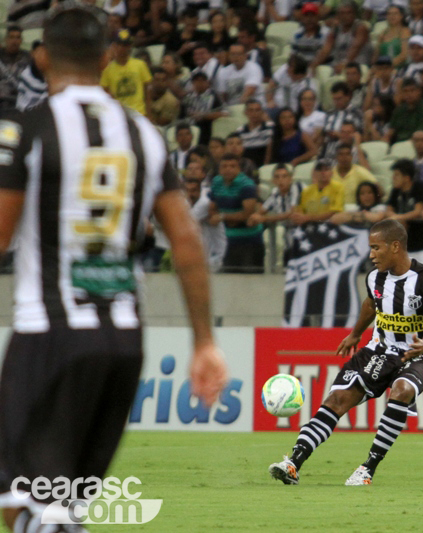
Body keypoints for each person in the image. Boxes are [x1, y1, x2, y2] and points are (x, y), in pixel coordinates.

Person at [0, 8, 228, 531]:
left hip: (49, 336)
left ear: (41, 57)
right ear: (106, 59)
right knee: (57, 505)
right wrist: (204, 342)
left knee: (28, 501)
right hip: (124, 341)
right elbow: (187, 242)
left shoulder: (28, 129)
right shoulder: (144, 134)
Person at [269, 219, 423, 486]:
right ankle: (293, 462)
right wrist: (355, 333)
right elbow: (370, 303)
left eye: (376, 248)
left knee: (402, 390)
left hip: (416, 354)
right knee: (337, 398)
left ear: (395, 246)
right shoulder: (375, 277)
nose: (371, 254)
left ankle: (367, 469)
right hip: (380, 349)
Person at [208, 154, 264, 273]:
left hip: (249, 241)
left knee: (251, 282)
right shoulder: (216, 182)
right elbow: (212, 208)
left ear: (239, 168)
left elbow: (247, 214)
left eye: (232, 166)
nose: (228, 169)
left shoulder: (247, 184)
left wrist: (223, 217)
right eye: (224, 166)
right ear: (219, 169)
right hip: (226, 241)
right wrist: (226, 217)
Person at [386, 158, 423, 266]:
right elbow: (389, 210)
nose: (393, 178)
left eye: (396, 175)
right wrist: (397, 218)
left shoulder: (419, 188)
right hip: (405, 247)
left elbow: (418, 211)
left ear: (407, 177)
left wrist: (399, 218)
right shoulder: (395, 191)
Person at [101, 29, 152, 115]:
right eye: (119, 45)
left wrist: (149, 113)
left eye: (125, 45)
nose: (122, 48)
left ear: (130, 46)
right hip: (120, 115)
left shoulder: (140, 65)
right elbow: (106, 94)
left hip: (139, 113)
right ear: (114, 46)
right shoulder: (107, 70)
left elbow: (148, 92)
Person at [185, 177, 227, 272]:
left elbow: (185, 223)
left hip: (216, 257)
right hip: (202, 257)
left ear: (200, 191)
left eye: (193, 191)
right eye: (187, 191)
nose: (190, 194)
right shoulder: (186, 203)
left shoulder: (204, 203)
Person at [291, 160, 345, 225]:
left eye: (326, 169)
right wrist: (297, 217)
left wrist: (308, 217)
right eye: (319, 170)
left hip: (329, 223)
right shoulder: (307, 191)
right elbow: (300, 210)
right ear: (314, 173)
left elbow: (334, 213)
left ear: (331, 172)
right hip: (309, 224)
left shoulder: (338, 187)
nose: (323, 173)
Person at [385, 79, 423, 143]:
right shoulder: (399, 110)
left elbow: (420, 133)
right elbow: (390, 132)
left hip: (416, 143)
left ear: (419, 91)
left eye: (412, 90)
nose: (409, 94)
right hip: (397, 144)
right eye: (405, 91)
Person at [234, 99, 274, 166]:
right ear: (245, 112)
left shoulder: (271, 127)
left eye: (257, 110)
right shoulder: (240, 131)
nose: (254, 113)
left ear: (262, 112)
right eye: (251, 110)